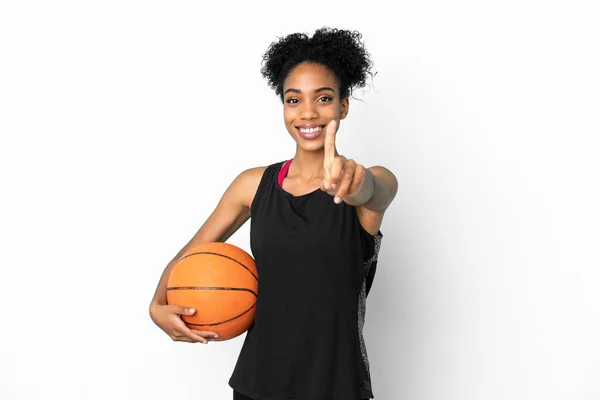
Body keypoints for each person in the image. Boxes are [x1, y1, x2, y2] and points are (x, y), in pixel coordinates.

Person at [149, 27, 398, 400]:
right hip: (256, 386)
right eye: (293, 100)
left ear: (343, 105)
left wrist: (354, 184)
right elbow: (190, 256)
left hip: (337, 387)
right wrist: (157, 305)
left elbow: (378, 191)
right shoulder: (252, 185)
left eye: (324, 98)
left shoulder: (366, 182)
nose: (308, 112)